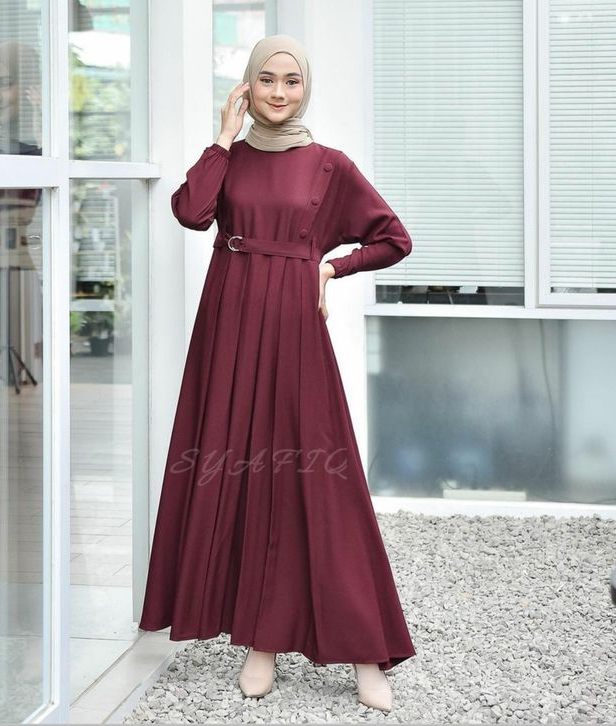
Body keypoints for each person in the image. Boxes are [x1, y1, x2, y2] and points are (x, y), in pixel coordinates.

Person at [138, 34, 416, 713]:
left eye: (292, 80)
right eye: (267, 79)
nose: (280, 92)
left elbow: (393, 239)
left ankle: (366, 648)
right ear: (247, 86)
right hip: (228, 329)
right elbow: (191, 213)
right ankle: (261, 642)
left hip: (292, 328)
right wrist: (222, 138)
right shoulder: (230, 159)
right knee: (243, 478)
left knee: (319, 481)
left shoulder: (328, 165)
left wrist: (330, 266)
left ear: (306, 87)